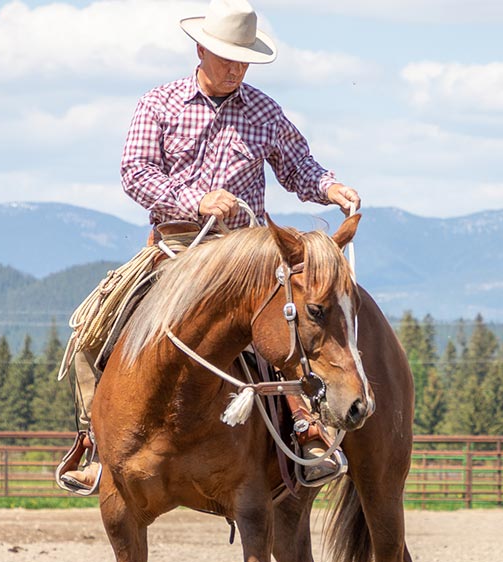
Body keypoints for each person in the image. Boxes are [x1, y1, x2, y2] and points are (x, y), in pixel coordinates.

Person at [58, 0, 360, 494]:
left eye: (245, 60)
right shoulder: (159, 104)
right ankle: (94, 443)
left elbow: (299, 165)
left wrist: (329, 187)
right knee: (94, 328)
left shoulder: (265, 111)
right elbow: (135, 172)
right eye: (228, 58)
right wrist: (193, 200)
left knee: (287, 326)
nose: (237, 68)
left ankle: (307, 431)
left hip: (247, 254)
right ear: (201, 49)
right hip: (177, 248)